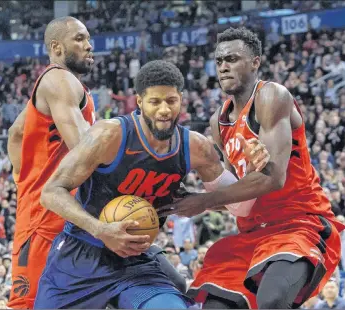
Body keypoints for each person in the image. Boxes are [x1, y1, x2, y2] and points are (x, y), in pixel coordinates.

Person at [33, 60, 270, 309]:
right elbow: (51, 192)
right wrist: (100, 229)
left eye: (171, 100)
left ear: (181, 99)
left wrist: (252, 172)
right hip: (81, 254)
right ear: (139, 102)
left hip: (136, 261)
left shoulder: (196, 147)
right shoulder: (108, 136)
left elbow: (242, 207)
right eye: (155, 102)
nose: (164, 110)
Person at [158, 27, 345, 309]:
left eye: (232, 59)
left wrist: (204, 201)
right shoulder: (218, 122)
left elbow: (272, 179)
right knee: (214, 306)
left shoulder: (271, 97)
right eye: (220, 61)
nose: (223, 67)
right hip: (252, 234)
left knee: (271, 300)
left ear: (255, 62)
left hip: (298, 224)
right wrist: (189, 200)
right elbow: (239, 199)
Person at [7, 16, 96, 309]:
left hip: (59, 213)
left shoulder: (56, 84)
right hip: (44, 220)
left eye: (88, 38)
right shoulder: (58, 79)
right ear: (57, 47)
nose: (89, 45)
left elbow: (15, 132)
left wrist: (23, 179)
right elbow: (87, 150)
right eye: (80, 39)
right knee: (29, 304)